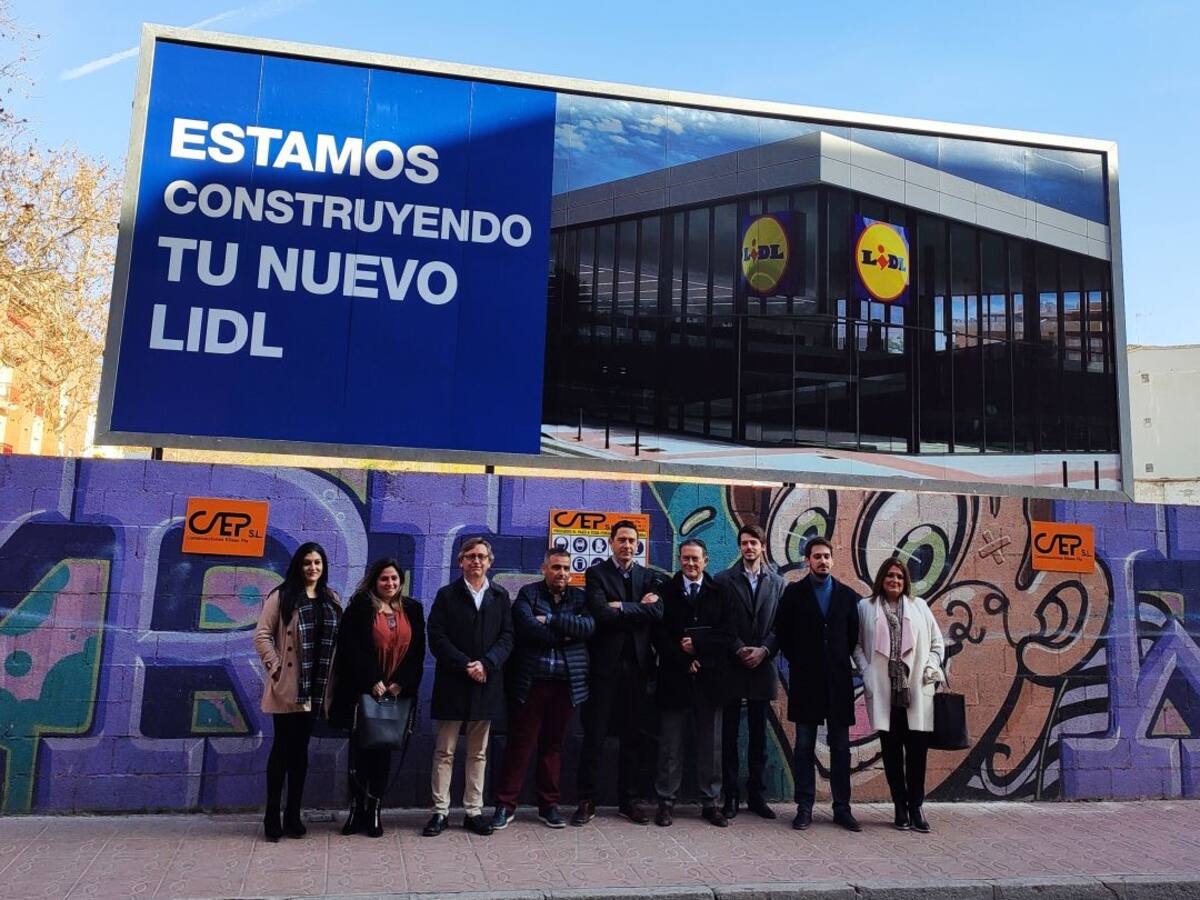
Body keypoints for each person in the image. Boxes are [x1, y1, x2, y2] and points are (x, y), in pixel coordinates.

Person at [491, 548, 595, 830]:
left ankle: (548, 806)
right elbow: (526, 627)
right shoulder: (529, 594)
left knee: (553, 746)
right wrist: (567, 634)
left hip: (566, 685)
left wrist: (549, 619)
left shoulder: (579, 597)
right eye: (556, 567)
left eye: (566, 568)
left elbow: (587, 627)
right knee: (520, 745)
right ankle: (505, 805)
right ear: (544, 568)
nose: (561, 573)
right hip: (531, 683)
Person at [573, 519, 664, 826]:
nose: (627, 545)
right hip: (604, 668)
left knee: (633, 737)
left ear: (638, 545)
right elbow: (600, 613)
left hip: (638, 668)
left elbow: (657, 612)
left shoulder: (647, 576)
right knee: (595, 735)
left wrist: (622, 607)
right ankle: (587, 799)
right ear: (611, 542)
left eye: (631, 540)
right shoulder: (596, 573)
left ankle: (629, 800)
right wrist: (638, 608)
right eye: (621, 539)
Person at [424, 537, 514, 837]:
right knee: (445, 751)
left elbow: (507, 637)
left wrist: (486, 664)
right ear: (460, 561)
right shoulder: (446, 595)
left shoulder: (500, 596)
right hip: (453, 681)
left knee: (478, 752)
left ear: (490, 562)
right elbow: (437, 636)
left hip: (486, 683)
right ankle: (440, 811)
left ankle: (473, 811)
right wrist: (465, 664)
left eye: (482, 556)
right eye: (470, 556)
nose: (476, 561)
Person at [329, 558, 425, 838]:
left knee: (383, 752)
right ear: (374, 581)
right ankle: (356, 809)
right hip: (363, 692)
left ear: (401, 581)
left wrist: (400, 683)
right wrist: (372, 680)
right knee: (359, 753)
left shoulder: (413, 609)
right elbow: (350, 648)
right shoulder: (360, 607)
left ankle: (374, 809)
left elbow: (418, 652)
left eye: (394, 578)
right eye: (384, 578)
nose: (390, 583)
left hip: (396, 694)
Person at [253, 541, 341, 841]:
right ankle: (271, 815)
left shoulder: (331, 598)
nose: (312, 568)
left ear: (323, 566)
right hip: (289, 684)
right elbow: (262, 635)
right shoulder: (282, 595)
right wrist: (276, 668)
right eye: (307, 562)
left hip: (317, 685)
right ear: (298, 566)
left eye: (317, 562)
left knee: (300, 751)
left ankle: (293, 814)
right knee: (282, 748)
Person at [774, 537, 861, 832]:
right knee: (804, 746)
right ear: (807, 560)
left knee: (841, 748)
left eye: (826, 556)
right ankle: (804, 807)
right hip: (806, 681)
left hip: (838, 682)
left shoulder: (847, 596)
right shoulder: (794, 593)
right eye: (817, 556)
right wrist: (801, 660)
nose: (822, 561)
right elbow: (783, 632)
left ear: (832, 560)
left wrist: (835, 658)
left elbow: (852, 636)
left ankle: (842, 808)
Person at [853, 557, 945, 833]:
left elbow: (937, 643)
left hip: (915, 690)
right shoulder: (865, 607)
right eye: (890, 575)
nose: (894, 580)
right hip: (884, 692)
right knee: (892, 754)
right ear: (881, 578)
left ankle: (916, 806)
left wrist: (930, 667)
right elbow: (856, 645)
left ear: (906, 581)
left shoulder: (920, 606)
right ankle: (899, 807)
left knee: (917, 754)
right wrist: (867, 672)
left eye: (900, 577)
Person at [652, 538, 734, 827]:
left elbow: (728, 634)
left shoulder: (721, 593)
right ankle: (666, 801)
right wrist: (683, 659)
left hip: (711, 680)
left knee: (711, 746)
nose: (690, 563)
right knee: (670, 746)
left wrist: (698, 646)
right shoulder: (665, 592)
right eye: (685, 558)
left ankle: (711, 802)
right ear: (679, 559)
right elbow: (658, 635)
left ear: (705, 561)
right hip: (674, 678)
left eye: (695, 559)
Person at [714, 523, 785, 820]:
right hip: (733, 665)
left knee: (759, 736)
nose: (749, 547)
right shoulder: (723, 580)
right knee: (729, 735)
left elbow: (781, 625)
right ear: (739, 546)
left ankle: (757, 795)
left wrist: (765, 650)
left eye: (754, 543)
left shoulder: (778, 583)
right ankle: (730, 796)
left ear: (763, 546)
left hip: (763, 665)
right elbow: (719, 621)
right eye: (744, 543)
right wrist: (739, 648)